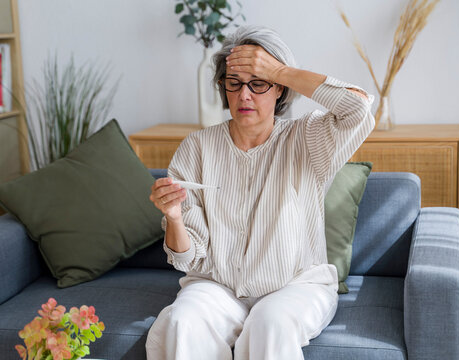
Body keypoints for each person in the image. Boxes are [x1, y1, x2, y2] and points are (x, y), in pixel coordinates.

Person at [145, 25, 375, 360]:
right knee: (182, 321)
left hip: (296, 287)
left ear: (280, 89)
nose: (244, 96)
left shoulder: (308, 138)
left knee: (269, 325)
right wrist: (174, 218)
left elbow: (358, 109)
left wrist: (280, 69)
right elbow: (187, 258)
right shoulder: (196, 148)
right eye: (234, 84)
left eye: (259, 83)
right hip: (217, 288)